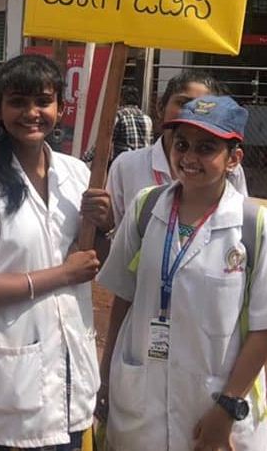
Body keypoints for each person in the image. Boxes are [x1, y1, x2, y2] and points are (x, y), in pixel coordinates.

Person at [0, 54, 108, 450]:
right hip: (9, 388)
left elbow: (89, 262)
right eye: (18, 101)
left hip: (69, 375)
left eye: (43, 101)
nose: (32, 112)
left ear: (59, 107)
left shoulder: (78, 176)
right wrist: (62, 275)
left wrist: (105, 226)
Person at [97, 95, 267, 450]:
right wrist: (108, 375)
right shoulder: (145, 208)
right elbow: (123, 299)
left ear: (234, 158)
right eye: (181, 145)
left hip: (214, 411)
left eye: (206, 148)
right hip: (141, 408)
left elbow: (263, 329)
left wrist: (227, 407)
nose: (189, 158)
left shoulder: (254, 226)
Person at [106, 71, 247, 225]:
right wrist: (104, 222)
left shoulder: (230, 170)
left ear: (232, 160)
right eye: (183, 103)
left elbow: (239, 221)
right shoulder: (126, 165)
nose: (194, 112)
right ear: (160, 107)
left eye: (206, 107)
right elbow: (114, 231)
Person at [111, 85, 153, 162]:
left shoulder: (119, 116)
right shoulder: (147, 119)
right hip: (143, 163)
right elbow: (150, 144)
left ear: (122, 99)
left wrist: (84, 159)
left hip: (124, 164)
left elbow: (106, 140)